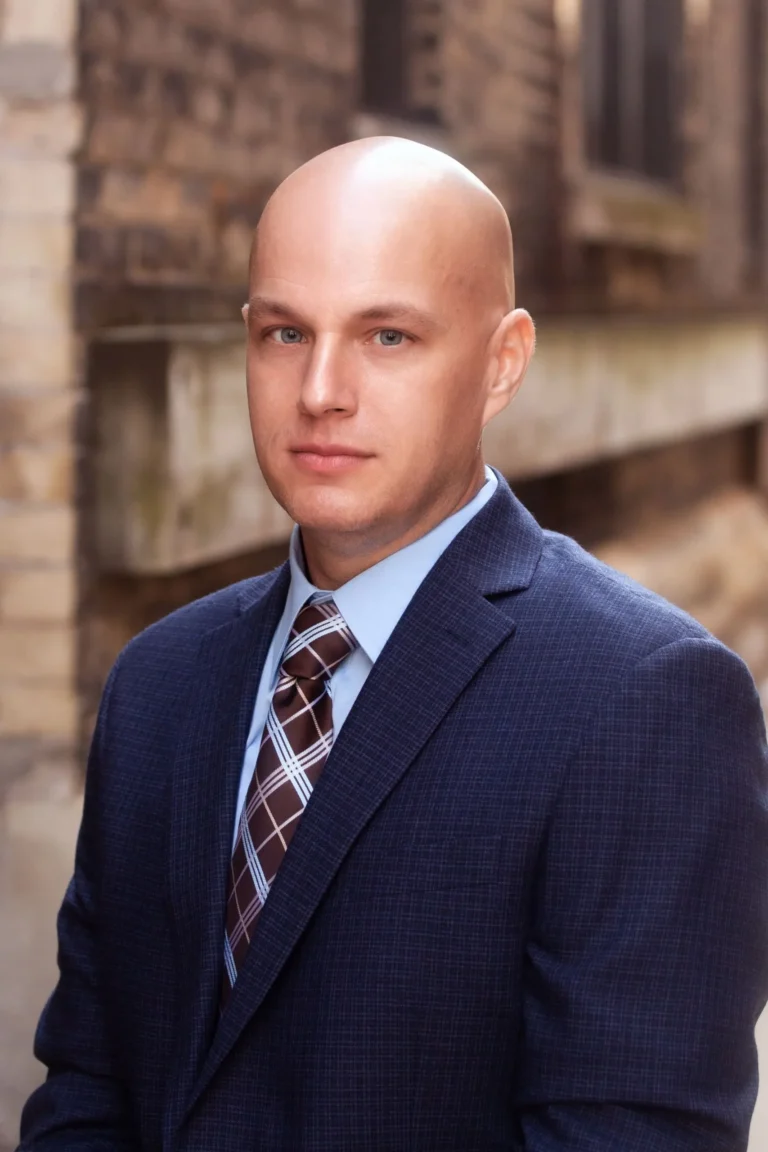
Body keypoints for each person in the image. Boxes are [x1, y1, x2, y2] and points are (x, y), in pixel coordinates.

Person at [20, 138, 768, 1152]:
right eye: (286, 333)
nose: (320, 389)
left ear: (503, 362)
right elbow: (87, 1090)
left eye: (387, 337)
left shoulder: (643, 703)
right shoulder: (157, 683)